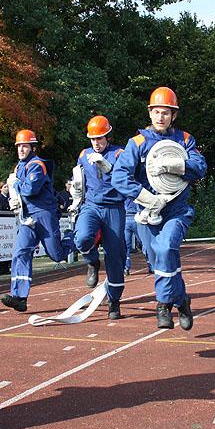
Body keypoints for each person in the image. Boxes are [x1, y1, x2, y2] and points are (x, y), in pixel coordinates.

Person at [112, 86, 207, 330]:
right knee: (160, 263)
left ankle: (163, 305)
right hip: (147, 212)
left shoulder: (185, 140)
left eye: (166, 112)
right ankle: (182, 300)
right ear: (150, 113)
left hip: (176, 211)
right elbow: (120, 176)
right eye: (156, 112)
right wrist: (144, 196)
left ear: (173, 115)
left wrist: (177, 164)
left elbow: (200, 166)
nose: (160, 117)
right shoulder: (138, 142)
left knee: (166, 249)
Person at [0, 130, 75, 312]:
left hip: (44, 214)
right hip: (28, 217)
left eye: (24, 146)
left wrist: (15, 184)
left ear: (32, 147)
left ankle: (80, 237)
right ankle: (19, 296)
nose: (21, 149)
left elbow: (30, 189)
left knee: (56, 255)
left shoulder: (36, 165)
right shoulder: (19, 167)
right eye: (19, 146)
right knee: (20, 252)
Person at [70, 116, 127, 320]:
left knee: (115, 256)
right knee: (82, 237)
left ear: (108, 137)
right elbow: (79, 180)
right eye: (93, 139)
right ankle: (92, 261)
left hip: (114, 206)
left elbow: (125, 179)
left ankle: (114, 301)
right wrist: (75, 197)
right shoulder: (84, 155)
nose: (96, 143)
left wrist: (108, 167)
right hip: (91, 205)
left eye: (100, 138)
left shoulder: (119, 153)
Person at [124, 197, 151, 276]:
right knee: (144, 243)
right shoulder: (138, 188)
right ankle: (151, 265)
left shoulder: (123, 188)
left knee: (126, 246)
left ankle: (126, 268)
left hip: (126, 218)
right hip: (138, 217)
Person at [0, 182, 13, 276]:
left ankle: (7, 267)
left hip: (9, 227)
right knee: (2, 248)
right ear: (0, 188)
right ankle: (1, 269)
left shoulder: (10, 198)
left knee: (8, 248)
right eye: (5, 187)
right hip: (1, 227)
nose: (7, 188)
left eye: (8, 187)